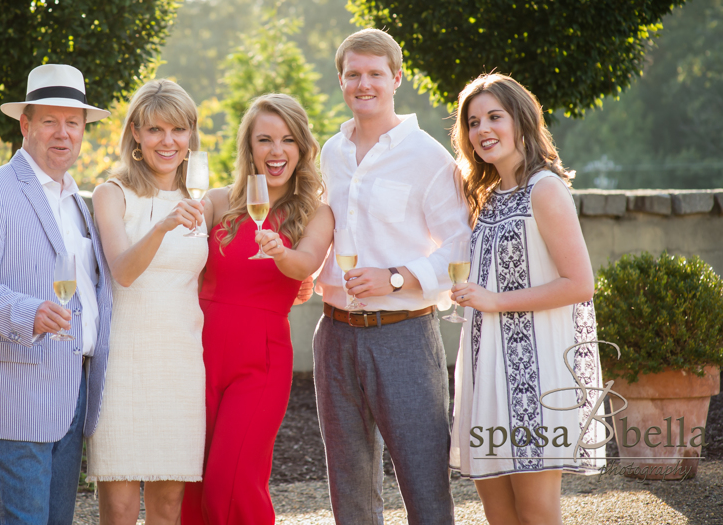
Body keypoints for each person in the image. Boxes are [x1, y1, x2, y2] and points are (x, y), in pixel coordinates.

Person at [314, 28, 470, 525]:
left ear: (396, 78)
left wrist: (398, 279)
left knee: (424, 484)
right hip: (334, 333)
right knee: (350, 488)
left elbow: (461, 246)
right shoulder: (331, 153)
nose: (364, 84)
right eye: (353, 74)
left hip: (404, 335)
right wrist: (310, 272)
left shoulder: (429, 157)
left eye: (375, 74)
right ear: (341, 80)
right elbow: (332, 223)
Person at [0, 64, 114, 525]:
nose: (63, 134)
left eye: (73, 123)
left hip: (70, 396)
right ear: (25, 125)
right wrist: (27, 311)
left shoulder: (79, 203)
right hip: (11, 397)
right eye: (49, 121)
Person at [448, 73, 605, 524]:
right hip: (484, 370)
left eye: (494, 117)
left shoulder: (545, 188)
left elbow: (580, 283)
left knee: (536, 512)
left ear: (521, 120)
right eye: (473, 122)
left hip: (536, 376)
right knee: (498, 512)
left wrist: (495, 301)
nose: (483, 130)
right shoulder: (485, 197)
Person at [181, 93, 333, 525]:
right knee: (191, 484)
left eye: (287, 140)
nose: (276, 151)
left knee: (232, 483)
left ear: (302, 147)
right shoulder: (216, 202)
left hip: (260, 362)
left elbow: (306, 263)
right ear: (248, 147)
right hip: (197, 356)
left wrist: (282, 253)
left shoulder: (316, 213)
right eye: (264, 139)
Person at [86, 79, 207, 525]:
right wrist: (161, 227)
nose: (168, 141)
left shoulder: (203, 199)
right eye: (155, 130)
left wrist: (299, 278)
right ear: (135, 132)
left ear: (191, 134)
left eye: (178, 130)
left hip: (181, 363)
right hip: (123, 364)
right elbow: (123, 271)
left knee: (169, 506)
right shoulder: (111, 194)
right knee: (117, 510)